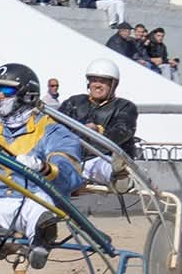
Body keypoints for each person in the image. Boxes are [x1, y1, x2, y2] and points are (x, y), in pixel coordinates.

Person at [0, 63, 82, 274]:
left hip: (28, 202)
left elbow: (70, 172)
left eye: (6, 91)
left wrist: (43, 167)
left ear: (27, 95)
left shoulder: (49, 128)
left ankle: (39, 245)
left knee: (41, 204)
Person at [58, 58, 138, 186]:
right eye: (94, 81)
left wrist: (98, 131)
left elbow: (122, 131)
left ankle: (119, 175)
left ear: (113, 85)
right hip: (73, 156)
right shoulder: (74, 102)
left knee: (103, 166)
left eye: (103, 82)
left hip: (101, 157)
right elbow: (57, 125)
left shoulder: (125, 106)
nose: (97, 85)